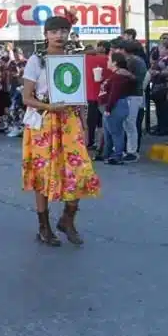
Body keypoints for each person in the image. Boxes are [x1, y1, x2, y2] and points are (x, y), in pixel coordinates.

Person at [21, 13, 102, 246]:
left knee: (78, 170)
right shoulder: (37, 60)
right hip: (44, 122)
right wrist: (49, 106)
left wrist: (85, 123)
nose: (59, 36)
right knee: (43, 175)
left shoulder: (73, 59)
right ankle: (44, 226)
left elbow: (79, 97)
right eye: (54, 31)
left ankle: (68, 218)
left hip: (70, 122)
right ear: (45, 34)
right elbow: (27, 97)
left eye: (64, 31)